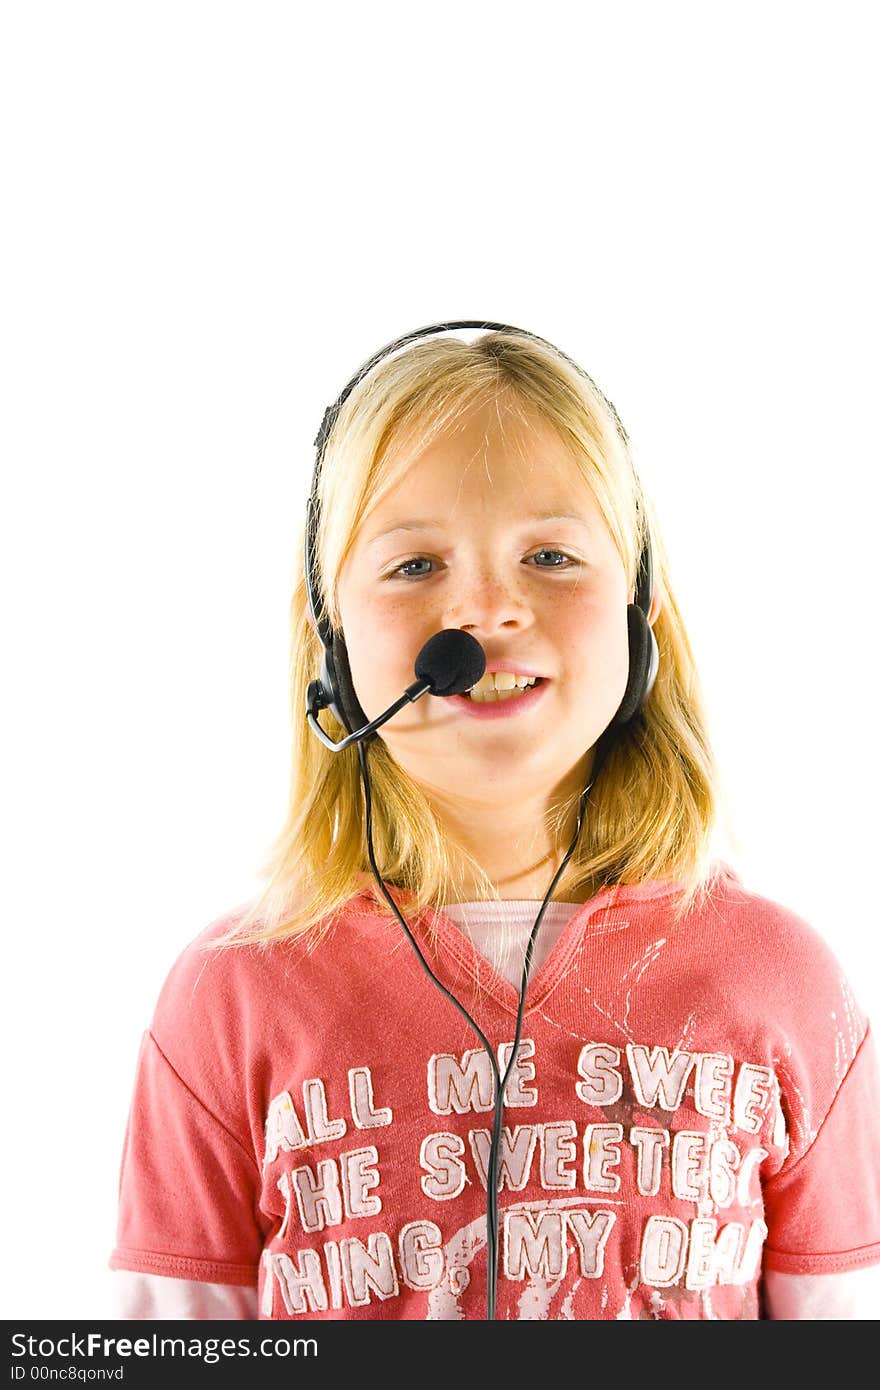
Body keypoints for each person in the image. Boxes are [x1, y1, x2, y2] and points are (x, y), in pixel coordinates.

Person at [110, 322, 880, 1320]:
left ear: (642, 613)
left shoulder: (781, 981)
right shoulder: (230, 995)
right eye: (414, 565)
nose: (485, 608)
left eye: (551, 553)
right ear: (329, 640)